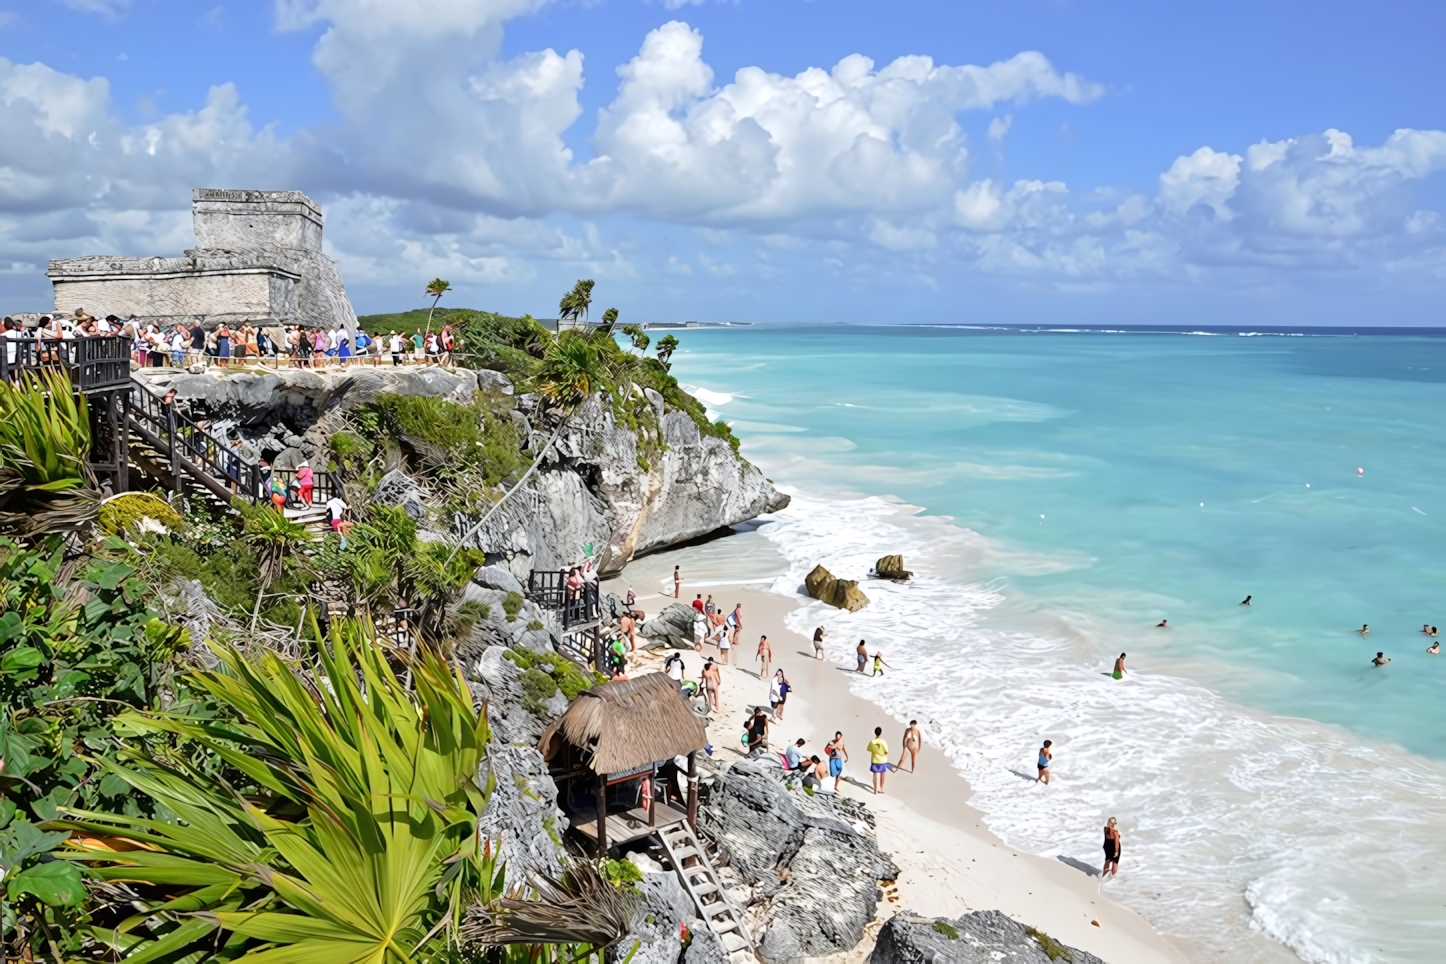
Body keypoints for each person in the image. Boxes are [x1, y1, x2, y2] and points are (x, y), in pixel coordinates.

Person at [866, 727, 890, 795]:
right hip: (883, 760)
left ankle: (875, 790)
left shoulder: (872, 742)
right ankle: (881, 789)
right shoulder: (883, 742)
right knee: (882, 774)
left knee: (875, 775)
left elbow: (869, 749)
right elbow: (886, 751)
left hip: (875, 760)